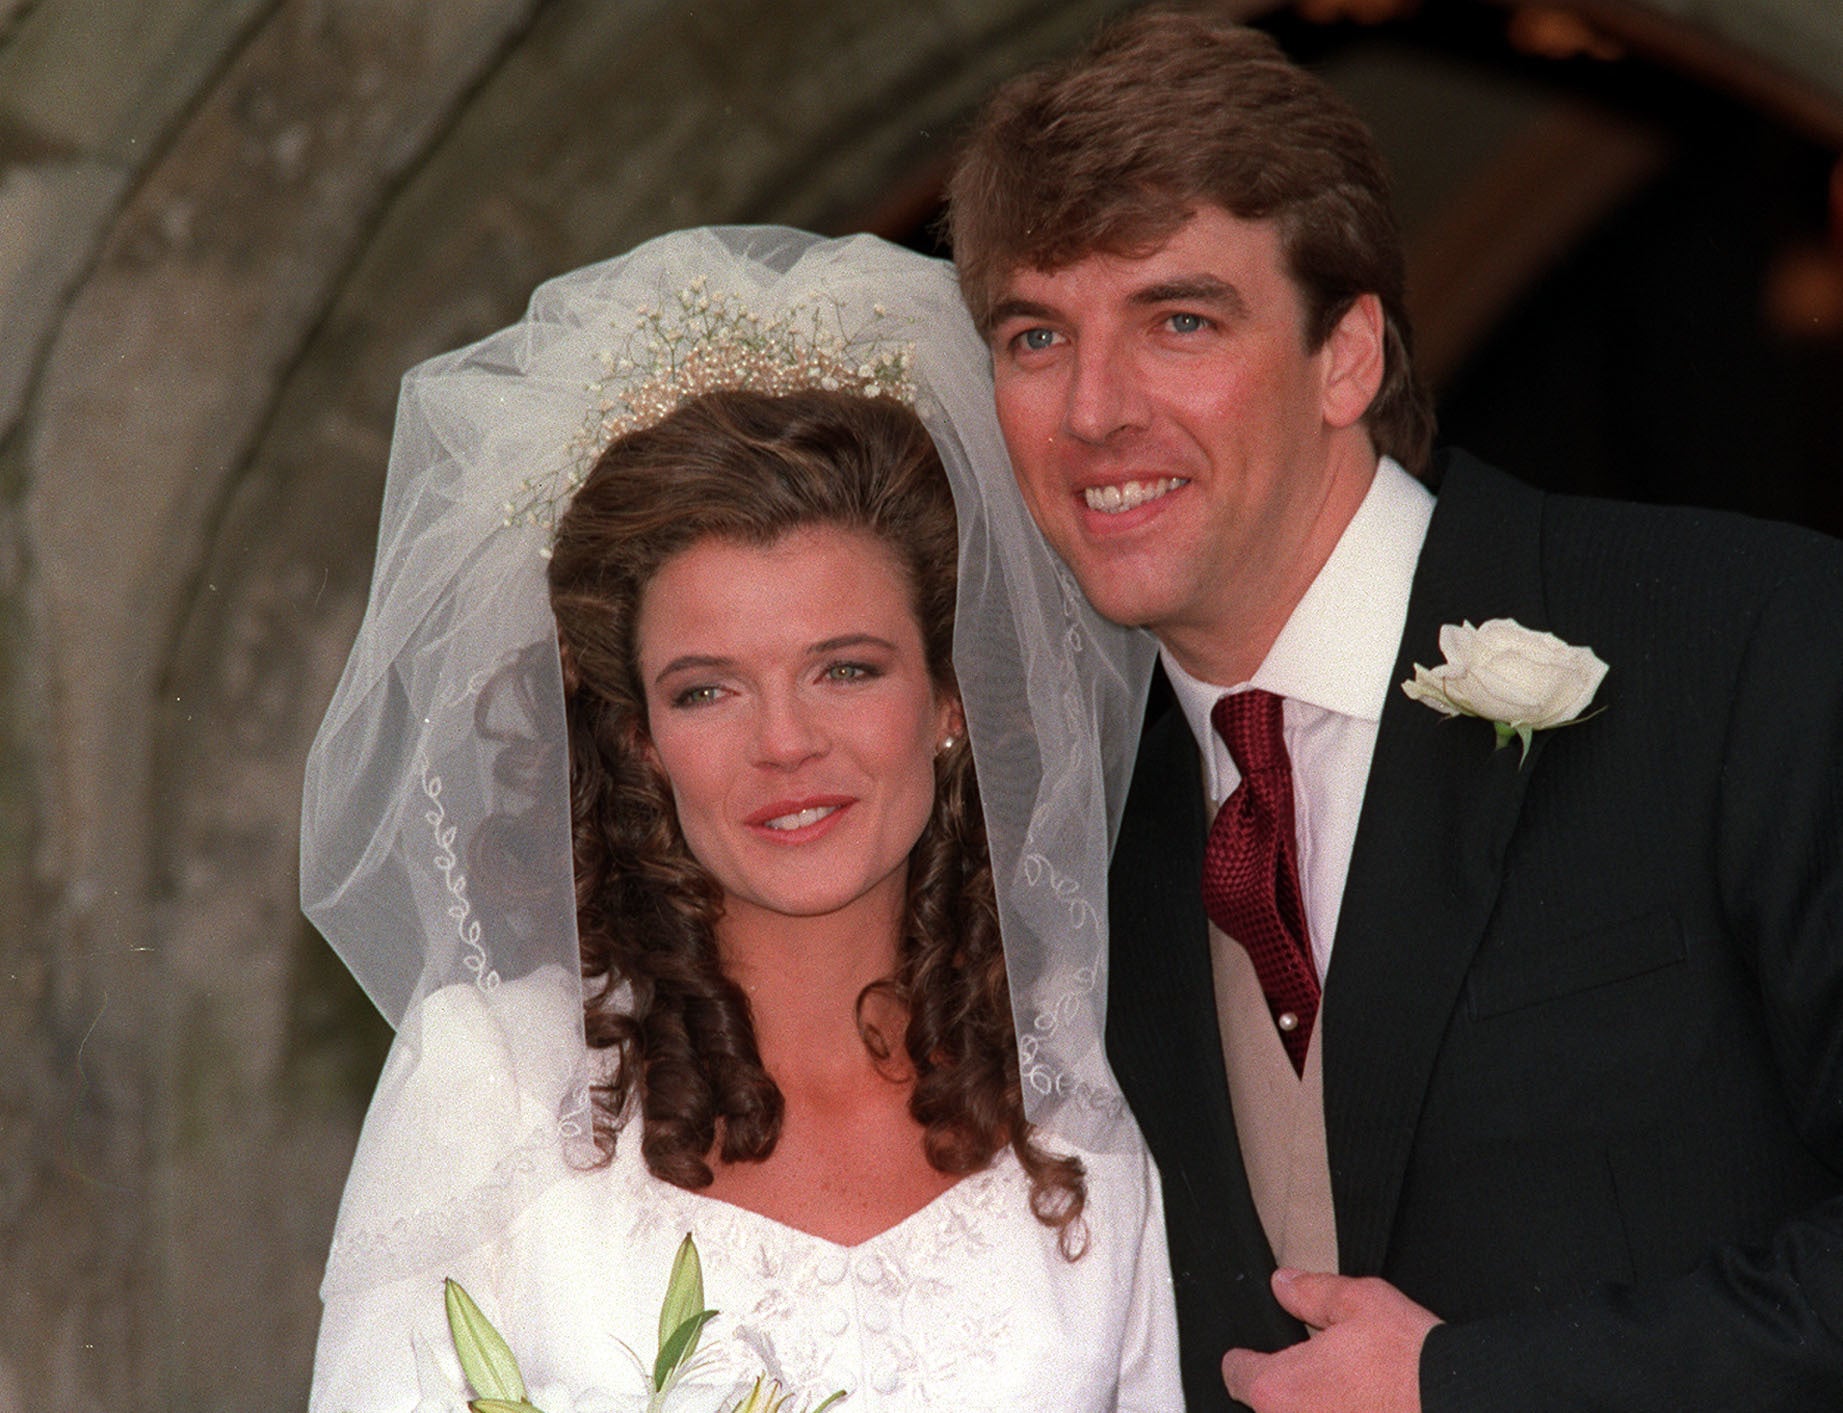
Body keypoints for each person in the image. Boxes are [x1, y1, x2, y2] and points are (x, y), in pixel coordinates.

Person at [945, 9, 1843, 1413]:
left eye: (1177, 319)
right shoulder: (1061, 824)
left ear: (1345, 355)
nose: (1092, 408)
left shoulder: (1743, 642)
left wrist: (1468, 1382)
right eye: (1033, 335)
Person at [299, 227, 1181, 1412]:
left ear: (950, 702)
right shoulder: (495, 1084)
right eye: (706, 689)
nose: (783, 743)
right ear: (640, 739)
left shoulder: (1079, 1108)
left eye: (848, 670)